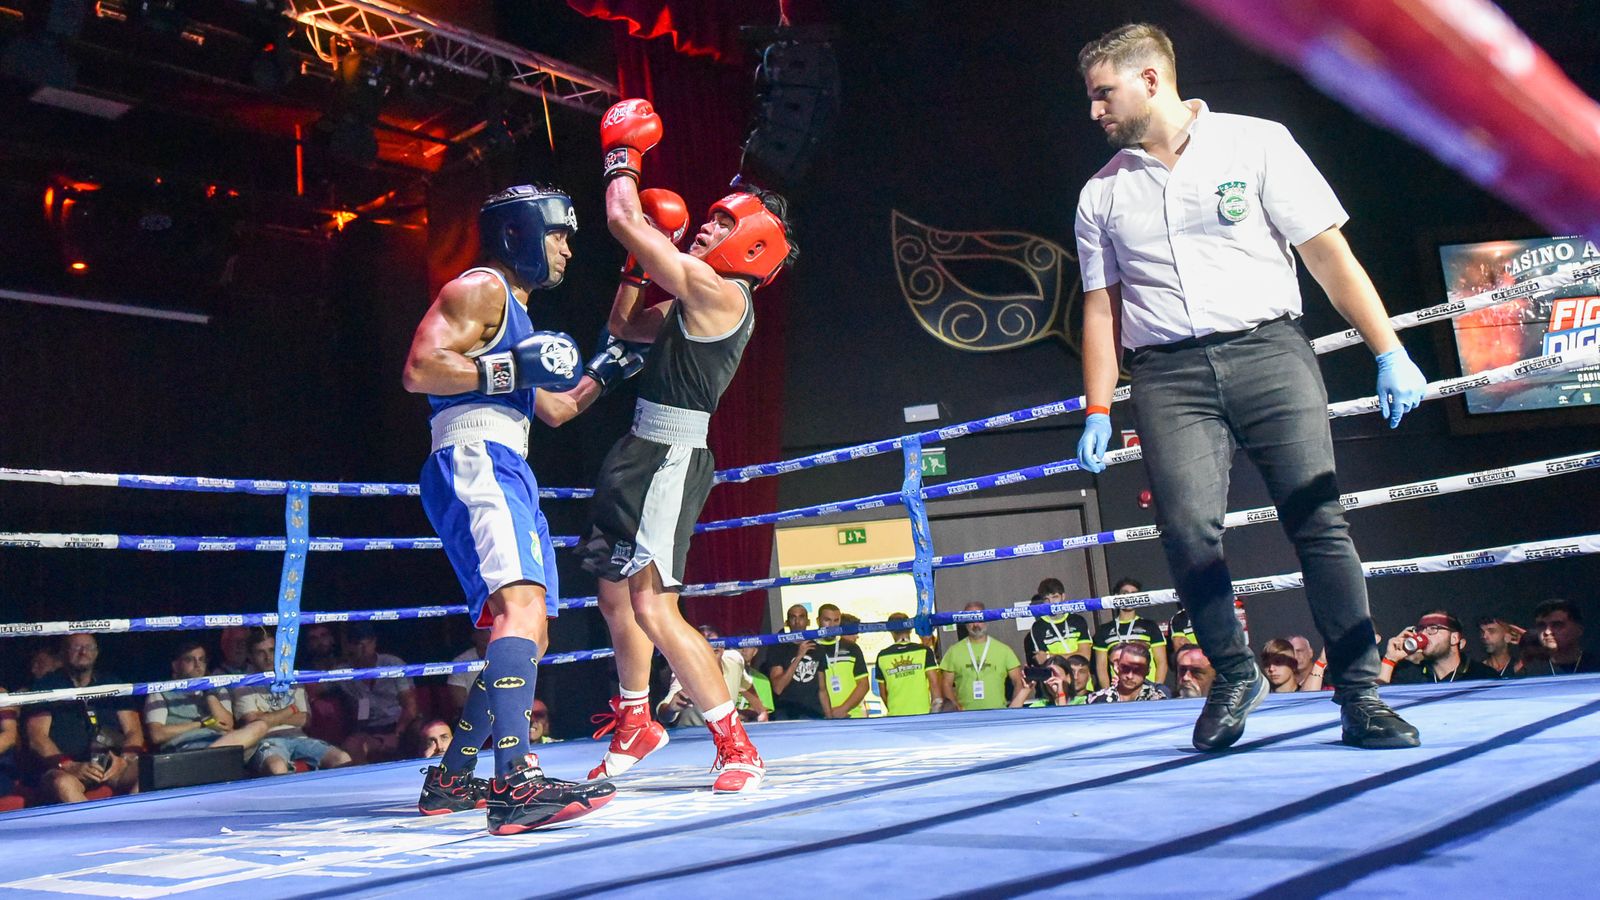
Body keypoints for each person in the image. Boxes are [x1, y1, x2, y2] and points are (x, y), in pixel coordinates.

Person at [1072, 23, 1428, 751]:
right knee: (1186, 532)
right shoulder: (1100, 194)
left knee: (1318, 520)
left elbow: (1328, 255)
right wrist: (1099, 406)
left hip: (1270, 351)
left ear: (1149, 79)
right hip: (1168, 374)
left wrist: (1388, 348)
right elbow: (1101, 305)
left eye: (1103, 93)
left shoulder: (1258, 142)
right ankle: (1235, 674)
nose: (1094, 111)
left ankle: (1360, 694)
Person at [578, 98, 796, 793]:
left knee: (652, 606)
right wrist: (640, 265)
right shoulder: (688, 294)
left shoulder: (720, 294)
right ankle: (638, 719)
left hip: (671, 454)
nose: (706, 226)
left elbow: (620, 216)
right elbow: (626, 329)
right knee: (615, 596)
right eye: (709, 219)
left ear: (752, 246)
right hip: (638, 448)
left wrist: (624, 155)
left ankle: (736, 744)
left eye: (723, 223)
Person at [401, 183, 623, 832]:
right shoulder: (481, 290)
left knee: (528, 626)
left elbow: (553, 408)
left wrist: (613, 365)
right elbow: (419, 369)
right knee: (519, 609)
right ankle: (515, 784)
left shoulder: (517, 314)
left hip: (507, 463)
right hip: (476, 457)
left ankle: (451, 780)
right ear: (520, 232)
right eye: (558, 235)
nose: (568, 249)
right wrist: (506, 371)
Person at [25, 634, 145, 804]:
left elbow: (134, 730)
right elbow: (37, 737)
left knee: (151, 770)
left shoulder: (112, 683)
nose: (83, 652)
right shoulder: (46, 686)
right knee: (62, 783)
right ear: (63, 653)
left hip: (111, 765)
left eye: (89, 647)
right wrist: (69, 765)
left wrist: (125, 760)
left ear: (96, 653)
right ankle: (97, 830)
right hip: (64, 769)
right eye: (76, 647)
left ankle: (131, 824)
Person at [231, 630, 352, 776]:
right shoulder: (243, 684)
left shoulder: (292, 678)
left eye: (271, 650)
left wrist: (267, 717)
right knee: (277, 768)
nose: (268, 657)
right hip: (266, 741)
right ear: (250, 656)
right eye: (260, 652)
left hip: (299, 738)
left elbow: (305, 719)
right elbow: (252, 722)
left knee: (342, 759)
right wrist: (291, 710)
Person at [143, 641, 269, 758]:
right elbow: (157, 735)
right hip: (185, 749)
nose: (197, 665)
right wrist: (201, 724)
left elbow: (226, 724)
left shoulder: (216, 689)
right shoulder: (161, 691)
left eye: (201, 660)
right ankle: (209, 757)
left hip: (221, 742)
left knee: (260, 726)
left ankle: (210, 756)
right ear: (176, 665)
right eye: (189, 660)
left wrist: (208, 692)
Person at [336, 623, 418, 765]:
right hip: (370, 729)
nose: (362, 649)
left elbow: (410, 707)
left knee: (426, 731)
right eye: (356, 644)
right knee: (353, 744)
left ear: (374, 642)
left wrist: (397, 734)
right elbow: (313, 687)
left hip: (402, 725)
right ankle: (364, 784)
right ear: (349, 646)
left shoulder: (393, 663)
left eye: (365, 643)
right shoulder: (342, 672)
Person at [939, 602, 1024, 712]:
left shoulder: (1004, 650)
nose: (975, 624)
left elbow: (1018, 681)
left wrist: (1013, 708)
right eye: (971, 620)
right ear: (965, 623)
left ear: (986, 620)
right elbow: (946, 683)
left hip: (998, 715)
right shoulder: (953, 651)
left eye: (979, 619)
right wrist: (955, 709)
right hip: (965, 716)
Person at [1379, 612, 1497, 684]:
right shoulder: (1410, 675)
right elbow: (1374, 703)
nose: (1423, 634)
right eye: (1420, 629)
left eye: (1433, 628)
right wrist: (1390, 659)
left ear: (1454, 638)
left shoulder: (1482, 675)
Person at [875, 613, 940, 717]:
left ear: (890, 630)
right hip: (923, 714)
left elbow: (883, 693)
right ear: (910, 629)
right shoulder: (924, 651)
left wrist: (894, 710)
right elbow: (934, 683)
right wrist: (935, 712)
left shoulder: (882, 656)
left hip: (896, 715)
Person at [1024, 578, 1093, 669]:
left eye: (1054, 597)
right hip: (1058, 679)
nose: (1051, 603)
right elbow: (1043, 661)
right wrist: (1074, 654)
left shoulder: (1077, 620)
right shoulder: (1038, 627)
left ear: (1063, 596)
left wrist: (1050, 656)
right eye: (1046, 599)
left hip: (1082, 679)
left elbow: (1084, 657)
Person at [1523, 599, 1595, 676]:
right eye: (1541, 625)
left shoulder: (1595, 665)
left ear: (1579, 630)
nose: (1547, 632)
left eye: (1557, 625)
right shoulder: (1529, 671)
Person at [1087, 643, 1170, 704]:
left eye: (1137, 670)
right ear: (1118, 667)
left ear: (1147, 671)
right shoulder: (1097, 700)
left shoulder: (1158, 701)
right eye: (1125, 668)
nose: (1129, 676)